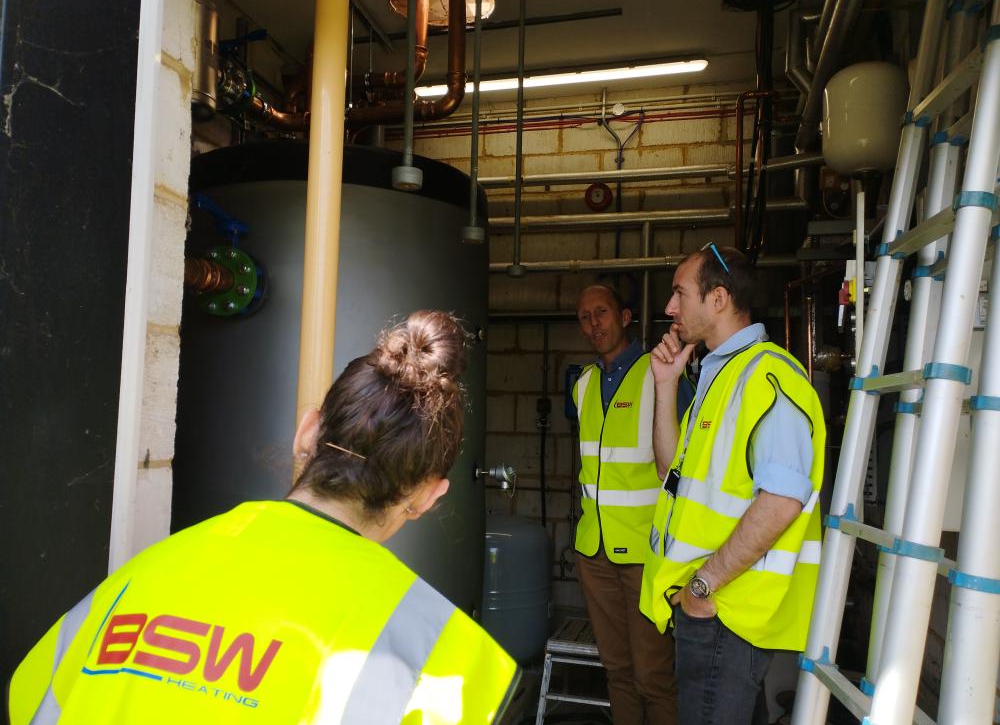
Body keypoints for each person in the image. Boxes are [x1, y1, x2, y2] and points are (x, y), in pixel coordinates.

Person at [8, 311, 519, 725]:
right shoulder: (448, 657)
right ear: (429, 496)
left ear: (306, 432)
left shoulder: (137, 579)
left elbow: (27, 699)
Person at [639, 245, 826, 725]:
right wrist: (665, 385)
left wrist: (704, 584)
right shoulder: (715, 375)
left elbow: (783, 498)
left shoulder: (768, 376)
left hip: (726, 611)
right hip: (712, 610)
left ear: (718, 298)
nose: (669, 308)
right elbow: (669, 473)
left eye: (680, 294)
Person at [572, 283, 678, 725]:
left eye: (602, 312)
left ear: (625, 318)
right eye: (584, 316)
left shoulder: (661, 374)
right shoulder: (582, 385)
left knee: (653, 676)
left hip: (644, 555)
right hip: (594, 552)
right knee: (615, 671)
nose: (593, 323)